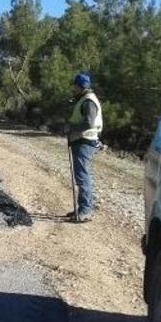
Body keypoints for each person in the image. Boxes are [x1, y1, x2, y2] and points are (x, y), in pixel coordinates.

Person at [66, 72, 103, 223]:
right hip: (81, 141)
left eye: (75, 86)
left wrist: (71, 128)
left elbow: (89, 123)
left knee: (83, 177)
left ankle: (86, 210)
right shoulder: (84, 99)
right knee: (81, 176)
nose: (73, 89)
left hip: (85, 142)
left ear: (78, 86)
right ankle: (82, 208)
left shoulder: (88, 101)